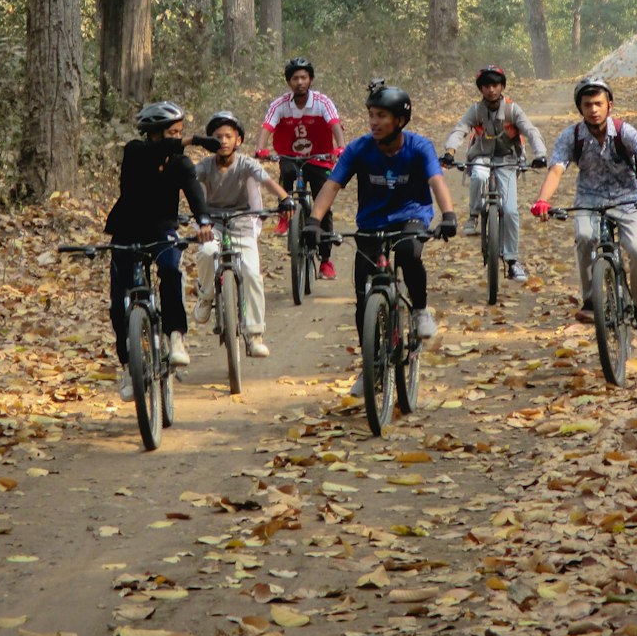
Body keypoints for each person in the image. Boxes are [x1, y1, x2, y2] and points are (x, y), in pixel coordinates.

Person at [306, 82, 457, 395]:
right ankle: (370, 366)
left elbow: (436, 181)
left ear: (400, 121)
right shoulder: (359, 148)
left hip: (412, 215)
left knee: (409, 253)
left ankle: (419, 311)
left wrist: (449, 215)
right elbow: (332, 186)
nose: (374, 122)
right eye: (371, 115)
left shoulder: (419, 146)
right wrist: (313, 221)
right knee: (363, 297)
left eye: (382, 116)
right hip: (371, 222)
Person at [530, 76, 637, 337]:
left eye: (598, 103)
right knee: (585, 238)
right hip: (589, 199)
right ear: (580, 108)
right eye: (587, 104)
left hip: (629, 198)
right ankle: (590, 301)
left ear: (610, 105)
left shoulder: (623, 131)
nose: (593, 109)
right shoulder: (572, 136)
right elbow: (556, 171)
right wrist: (543, 200)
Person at [104, 101, 218, 400]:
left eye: (181, 132)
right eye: (172, 132)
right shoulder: (135, 151)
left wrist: (203, 220)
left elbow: (194, 191)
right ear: (154, 133)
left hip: (161, 228)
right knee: (119, 304)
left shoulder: (180, 163)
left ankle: (175, 337)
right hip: (126, 229)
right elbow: (150, 153)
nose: (178, 138)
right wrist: (192, 139)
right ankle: (129, 367)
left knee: (170, 270)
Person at [193, 111, 295, 359]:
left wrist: (284, 198)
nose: (224, 141)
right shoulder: (205, 167)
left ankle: (254, 333)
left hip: (243, 223)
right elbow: (189, 186)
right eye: (218, 137)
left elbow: (267, 181)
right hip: (211, 224)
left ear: (238, 140)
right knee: (207, 252)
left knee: (251, 273)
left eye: (229, 136)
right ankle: (206, 296)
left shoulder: (247, 164)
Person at [441, 64, 547, 282]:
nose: (491, 90)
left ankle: (512, 261)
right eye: (487, 86)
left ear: (502, 87)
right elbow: (460, 129)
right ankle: (473, 215)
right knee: (478, 176)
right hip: (481, 157)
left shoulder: (512, 109)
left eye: (495, 85)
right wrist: (450, 152)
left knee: (510, 211)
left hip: (507, 160)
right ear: (481, 89)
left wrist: (540, 154)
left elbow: (530, 130)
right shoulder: (476, 110)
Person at [254, 57, 346, 278]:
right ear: (289, 82)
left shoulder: (322, 102)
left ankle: (325, 261)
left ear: (311, 79)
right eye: (295, 78)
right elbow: (267, 126)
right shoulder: (280, 104)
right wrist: (261, 149)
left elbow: (335, 124)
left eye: (304, 77)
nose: (300, 82)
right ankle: (285, 214)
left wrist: (341, 147)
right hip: (289, 155)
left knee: (323, 205)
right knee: (285, 173)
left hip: (319, 156)